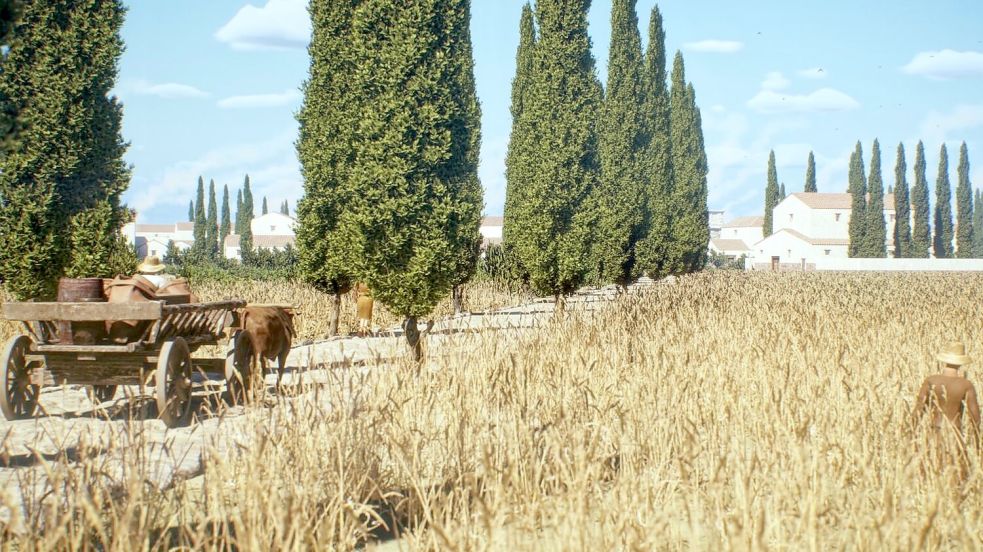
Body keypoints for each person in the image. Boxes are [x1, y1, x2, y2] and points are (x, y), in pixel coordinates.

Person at [912, 341, 980, 437]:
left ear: (945, 360)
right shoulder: (965, 385)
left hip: (934, 435)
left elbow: (918, 411)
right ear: (961, 362)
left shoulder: (930, 380)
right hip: (955, 435)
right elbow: (975, 417)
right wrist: (977, 445)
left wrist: (910, 437)